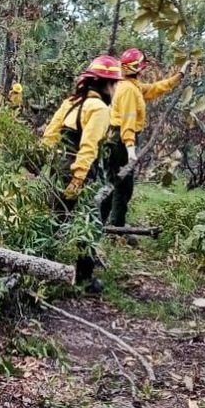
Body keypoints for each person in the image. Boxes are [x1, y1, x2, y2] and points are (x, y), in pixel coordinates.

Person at [41, 54, 123, 292]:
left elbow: (49, 135)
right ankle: (84, 279)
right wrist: (78, 179)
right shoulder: (98, 109)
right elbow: (88, 148)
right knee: (90, 223)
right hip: (80, 172)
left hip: (58, 169)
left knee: (55, 218)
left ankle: (40, 267)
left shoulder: (71, 102)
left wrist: (43, 165)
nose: (116, 88)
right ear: (107, 84)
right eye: (115, 83)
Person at [100, 48, 191, 227]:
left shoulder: (132, 86)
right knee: (122, 186)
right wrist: (130, 148)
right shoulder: (128, 90)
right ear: (137, 68)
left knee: (116, 184)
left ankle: (104, 225)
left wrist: (179, 75)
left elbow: (154, 89)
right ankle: (114, 227)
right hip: (120, 140)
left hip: (121, 139)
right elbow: (128, 121)